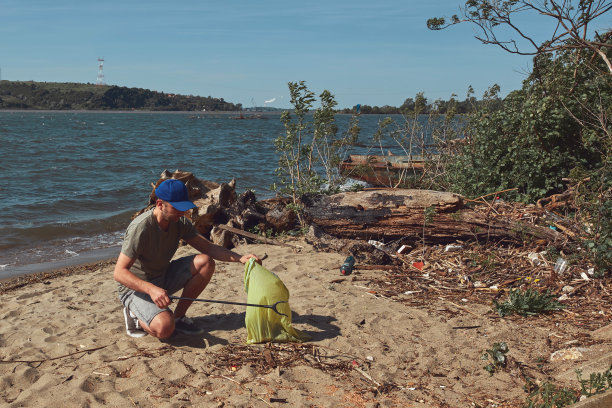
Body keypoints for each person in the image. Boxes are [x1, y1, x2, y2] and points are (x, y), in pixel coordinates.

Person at [114, 179, 260, 339]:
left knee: (205, 262)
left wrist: (240, 258)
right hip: (135, 289)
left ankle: (179, 316)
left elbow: (209, 248)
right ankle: (135, 316)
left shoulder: (179, 221)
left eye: (184, 208)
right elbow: (119, 273)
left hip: (162, 278)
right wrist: (150, 289)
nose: (182, 212)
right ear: (160, 204)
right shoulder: (141, 228)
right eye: (176, 208)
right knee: (165, 328)